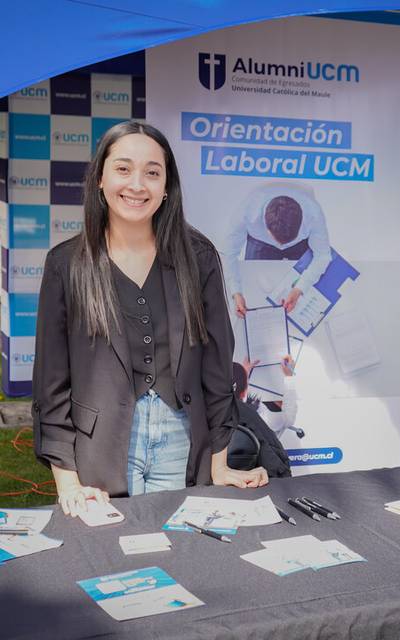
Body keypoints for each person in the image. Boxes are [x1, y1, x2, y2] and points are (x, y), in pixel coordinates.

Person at [32, 121, 268, 517]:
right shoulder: (66, 264)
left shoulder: (200, 258)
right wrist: (68, 481)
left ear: (166, 187)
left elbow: (216, 367)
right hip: (100, 447)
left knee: (180, 552)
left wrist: (219, 462)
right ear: (100, 179)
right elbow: (52, 384)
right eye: (123, 169)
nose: (137, 184)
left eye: (152, 173)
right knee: (112, 562)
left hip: (181, 437)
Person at [223, 183, 332, 317]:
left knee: (306, 295)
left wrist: (299, 289)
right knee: (255, 291)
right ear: (266, 226)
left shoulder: (313, 213)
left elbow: (323, 256)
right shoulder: (247, 211)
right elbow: (229, 253)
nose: (281, 247)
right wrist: (236, 293)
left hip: (299, 244)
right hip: (260, 242)